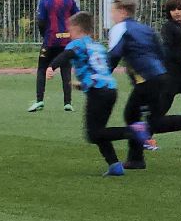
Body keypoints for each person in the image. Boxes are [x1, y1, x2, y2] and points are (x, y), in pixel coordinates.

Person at [107, 0, 181, 166]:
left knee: (133, 116)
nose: (112, 15)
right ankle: (136, 159)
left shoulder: (119, 29)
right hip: (160, 76)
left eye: (113, 11)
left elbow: (114, 56)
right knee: (150, 120)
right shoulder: (144, 28)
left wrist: (102, 77)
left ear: (122, 11)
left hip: (146, 80)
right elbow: (160, 51)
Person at [50, 12, 141, 177]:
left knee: (93, 134)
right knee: (99, 130)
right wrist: (84, 84)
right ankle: (115, 165)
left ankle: (134, 131)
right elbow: (99, 69)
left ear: (77, 29)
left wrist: (52, 67)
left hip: (98, 93)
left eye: (70, 30)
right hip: (109, 89)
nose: (69, 34)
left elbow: (67, 55)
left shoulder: (77, 44)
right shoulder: (97, 46)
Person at [29, 0, 78, 113]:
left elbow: (41, 21)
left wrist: (45, 35)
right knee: (66, 70)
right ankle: (67, 103)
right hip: (66, 41)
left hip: (50, 41)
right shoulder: (69, 1)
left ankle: (39, 101)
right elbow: (77, 17)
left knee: (42, 69)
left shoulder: (45, 1)